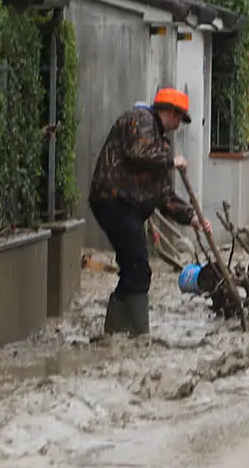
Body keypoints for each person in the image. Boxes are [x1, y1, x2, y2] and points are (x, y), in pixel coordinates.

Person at [87, 87, 204, 337]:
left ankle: (119, 333)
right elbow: (137, 153)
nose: (178, 125)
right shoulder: (141, 119)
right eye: (179, 119)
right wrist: (172, 161)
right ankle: (131, 333)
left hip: (128, 208)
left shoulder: (160, 143)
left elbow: (164, 195)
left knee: (135, 267)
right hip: (113, 199)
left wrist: (191, 217)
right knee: (139, 266)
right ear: (170, 112)